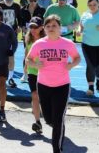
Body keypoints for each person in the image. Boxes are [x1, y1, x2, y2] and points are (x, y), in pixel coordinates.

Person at [26, 14, 80, 153]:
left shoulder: (67, 43)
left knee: (58, 120)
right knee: (49, 119)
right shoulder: (39, 44)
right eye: (48, 26)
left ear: (60, 28)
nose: (51, 28)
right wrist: (35, 64)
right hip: (43, 86)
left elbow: (77, 58)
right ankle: (59, 125)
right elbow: (28, 59)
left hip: (62, 86)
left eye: (54, 25)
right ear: (44, 28)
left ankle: (57, 149)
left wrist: (71, 64)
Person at [24, 17, 46, 134]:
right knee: (34, 95)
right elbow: (27, 54)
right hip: (32, 72)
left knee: (44, 98)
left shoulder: (47, 40)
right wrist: (25, 69)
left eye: (35, 27)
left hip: (46, 73)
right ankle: (37, 122)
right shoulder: (28, 38)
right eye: (31, 27)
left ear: (41, 27)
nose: (32, 29)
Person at [0, 0, 22, 88]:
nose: (8, 0)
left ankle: (10, 77)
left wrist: (20, 26)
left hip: (12, 34)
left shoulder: (16, 6)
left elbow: (20, 18)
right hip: (0, 35)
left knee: (11, 56)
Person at [20, 0, 45, 82]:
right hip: (28, 34)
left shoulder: (42, 10)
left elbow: (44, 22)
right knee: (27, 53)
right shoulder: (23, 9)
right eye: (31, 0)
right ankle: (25, 73)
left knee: (40, 54)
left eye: (35, 0)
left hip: (39, 34)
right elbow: (21, 21)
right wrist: (23, 27)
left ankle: (40, 72)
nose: (33, 2)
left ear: (37, 0)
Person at [78, 0, 99, 96]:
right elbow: (81, 26)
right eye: (90, 5)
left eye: (94, 4)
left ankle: (98, 80)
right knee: (90, 65)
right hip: (86, 44)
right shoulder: (85, 14)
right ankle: (90, 87)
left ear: (98, 4)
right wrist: (79, 31)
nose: (92, 6)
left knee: (97, 65)